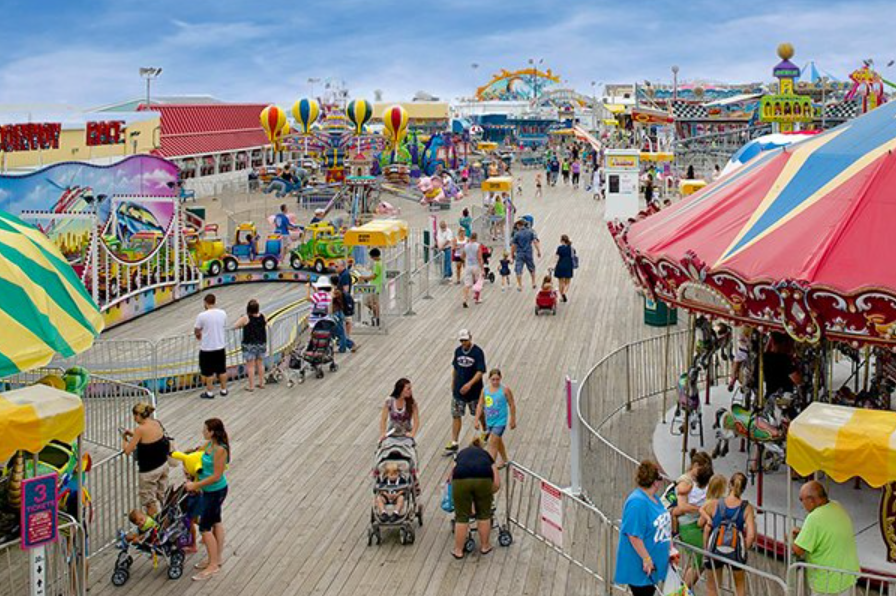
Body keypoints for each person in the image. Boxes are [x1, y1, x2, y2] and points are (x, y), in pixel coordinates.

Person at [792, 481, 860, 596]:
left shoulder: (814, 518)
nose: (802, 505)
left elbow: (798, 550)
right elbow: (825, 532)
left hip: (827, 582)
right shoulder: (836, 506)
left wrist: (790, 538)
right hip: (847, 574)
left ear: (811, 500)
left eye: (801, 500)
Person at [615, 460, 672, 596]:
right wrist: (646, 559)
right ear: (655, 482)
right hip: (641, 570)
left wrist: (670, 548)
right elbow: (633, 535)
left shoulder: (653, 498)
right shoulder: (637, 503)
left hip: (653, 566)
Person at [185, 418, 230, 581]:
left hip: (215, 491)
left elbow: (217, 475)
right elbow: (196, 452)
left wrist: (195, 485)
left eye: (205, 429)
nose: (202, 432)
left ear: (211, 432)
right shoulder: (209, 444)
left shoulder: (219, 450)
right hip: (209, 491)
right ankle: (216, 558)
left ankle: (213, 565)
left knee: (205, 528)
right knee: (216, 521)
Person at [702, 473, 755, 596]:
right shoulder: (747, 508)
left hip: (714, 549)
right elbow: (751, 535)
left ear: (730, 485)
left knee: (712, 587)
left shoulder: (715, 503)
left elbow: (703, 523)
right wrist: (742, 549)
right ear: (743, 489)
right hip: (735, 551)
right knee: (739, 586)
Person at [450, 437, 500, 559]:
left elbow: (451, 476)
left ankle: (458, 550)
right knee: (484, 514)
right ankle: (485, 546)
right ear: (481, 447)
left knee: (461, 517)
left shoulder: (461, 454)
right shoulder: (486, 456)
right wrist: (488, 493)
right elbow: (497, 482)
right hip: (483, 478)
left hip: (460, 479)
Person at [674, 450, 714, 587]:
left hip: (697, 523)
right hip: (688, 524)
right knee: (701, 557)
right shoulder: (685, 481)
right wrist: (702, 510)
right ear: (696, 465)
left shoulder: (699, 480)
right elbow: (682, 506)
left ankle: (684, 589)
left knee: (700, 558)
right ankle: (683, 590)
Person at [121, 403, 169, 516]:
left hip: (149, 470)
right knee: (163, 495)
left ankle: (154, 528)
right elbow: (149, 437)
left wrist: (124, 439)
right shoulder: (156, 423)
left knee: (149, 502)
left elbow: (127, 450)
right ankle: (167, 518)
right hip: (163, 465)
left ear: (138, 415)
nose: (134, 418)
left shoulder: (140, 429)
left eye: (134, 415)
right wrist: (132, 434)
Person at [446, 329, 487, 453]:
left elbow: (480, 372)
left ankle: (485, 430)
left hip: (474, 391)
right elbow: (455, 368)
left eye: (465, 340)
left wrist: (470, 384)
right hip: (459, 391)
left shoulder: (477, 352)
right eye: (461, 340)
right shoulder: (458, 352)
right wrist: (453, 383)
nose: (463, 343)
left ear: (470, 338)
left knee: (478, 413)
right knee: (456, 414)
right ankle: (454, 441)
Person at [474, 369, 516, 468]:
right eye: (493, 379)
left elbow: (512, 404)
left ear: (500, 378)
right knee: (498, 440)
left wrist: (512, 419)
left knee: (493, 442)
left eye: (497, 379)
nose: (495, 382)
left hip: (500, 421)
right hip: (490, 421)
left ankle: (490, 466)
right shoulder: (485, 391)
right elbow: (480, 405)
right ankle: (505, 459)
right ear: (489, 379)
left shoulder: (505, 390)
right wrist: (476, 419)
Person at [194, 293, 228, 399]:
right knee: (222, 370)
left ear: (205, 302)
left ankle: (210, 392)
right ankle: (223, 389)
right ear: (214, 301)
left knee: (208, 372)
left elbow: (197, 329)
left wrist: (198, 335)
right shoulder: (222, 313)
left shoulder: (202, 316)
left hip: (207, 348)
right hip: (220, 345)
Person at [233, 299, 267, 391]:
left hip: (249, 344)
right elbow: (265, 323)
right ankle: (262, 382)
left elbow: (235, 326)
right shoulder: (262, 316)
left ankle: (251, 386)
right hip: (261, 343)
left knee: (250, 366)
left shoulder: (246, 318)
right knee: (260, 364)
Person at [511, 218, 541, 291]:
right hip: (528, 252)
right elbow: (535, 241)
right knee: (531, 267)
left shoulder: (517, 234)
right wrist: (538, 251)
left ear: (518, 225)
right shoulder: (530, 232)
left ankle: (520, 285)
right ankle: (533, 282)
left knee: (518, 269)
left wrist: (512, 254)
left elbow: (513, 245)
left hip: (520, 253)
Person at [358, 248, 383, 326]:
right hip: (378, 285)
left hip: (375, 286)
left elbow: (373, 276)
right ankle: (376, 317)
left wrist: (363, 278)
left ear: (374, 256)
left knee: (368, 302)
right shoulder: (382, 262)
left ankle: (375, 317)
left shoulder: (377, 264)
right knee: (374, 303)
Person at [335, 260, 356, 349]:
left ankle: (347, 340)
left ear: (342, 266)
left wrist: (336, 294)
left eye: (337, 266)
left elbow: (345, 289)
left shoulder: (345, 275)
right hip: (342, 302)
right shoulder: (342, 274)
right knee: (344, 321)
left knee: (345, 321)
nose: (335, 268)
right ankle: (345, 341)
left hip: (343, 302)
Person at [331, 283, 356, 353]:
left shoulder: (337, 292)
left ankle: (347, 346)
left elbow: (331, 297)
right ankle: (348, 345)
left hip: (337, 314)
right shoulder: (339, 292)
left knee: (339, 333)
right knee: (336, 332)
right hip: (337, 314)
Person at [462, 232, 484, 308]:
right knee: (477, 282)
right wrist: (482, 269)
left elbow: (462, 256)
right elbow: (479, 258)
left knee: (467, 284)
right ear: (476, 238)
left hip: (468, 266)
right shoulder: (478, 246)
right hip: (475, 265)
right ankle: (477, 298)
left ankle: (465, 299)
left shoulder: (466, 246)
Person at [554, 235, 575, 302]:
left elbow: (557, 258)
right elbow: (573, 256)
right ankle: (564, 293)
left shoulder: (559, 248)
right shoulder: (571, 248)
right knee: (567, 282)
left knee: (560, 282)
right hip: (568, 265)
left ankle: (561, 296)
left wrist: (553, 266)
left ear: (562, 241)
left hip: (560, 265)